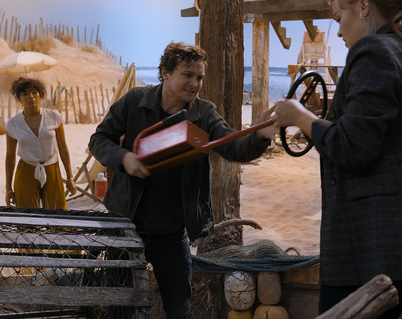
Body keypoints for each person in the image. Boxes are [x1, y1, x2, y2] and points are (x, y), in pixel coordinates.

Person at [268, 0, 402, 317]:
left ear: (364, 6)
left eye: (339, 18)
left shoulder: (374, 52)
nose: (337, 33)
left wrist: (299, 116)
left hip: (371, 252)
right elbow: (369, 133)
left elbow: (352, 146)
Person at [88, 42, 275, 318]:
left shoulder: (204, 114)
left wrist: (260, 136)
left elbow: (233, 147)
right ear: (165, 72)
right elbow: (98, 140)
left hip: (171, 233)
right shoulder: (134, 101)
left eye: (199, 77)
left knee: (179, 309)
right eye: (188, 75)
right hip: (125, 225)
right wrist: (124, 158)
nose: (195, 83)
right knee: (121, 308)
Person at [5, 77, 76, 209]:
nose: (31, 97)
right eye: (25, 94)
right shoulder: (13, 124)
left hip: (52, 168)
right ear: (19, 98)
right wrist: (8, 189)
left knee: (58, 214)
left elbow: (63, 148)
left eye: (34, 92)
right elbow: (10, 156)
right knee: (28, 218)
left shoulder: (54, 117)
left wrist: (70, 178)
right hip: (26, 170)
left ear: (40, 94)